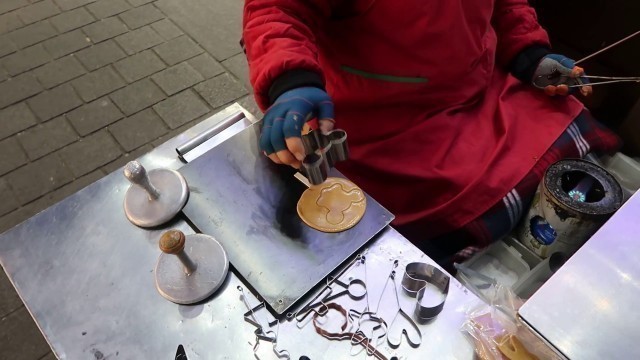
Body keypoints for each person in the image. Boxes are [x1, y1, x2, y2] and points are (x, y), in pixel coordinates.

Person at [241, 1, 620, 267]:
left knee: (571, 129)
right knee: (453, 209)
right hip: (389, 124)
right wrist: (290, 82)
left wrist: (530, 55)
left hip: (479, 92)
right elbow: (277, 10)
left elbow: (506, 6)